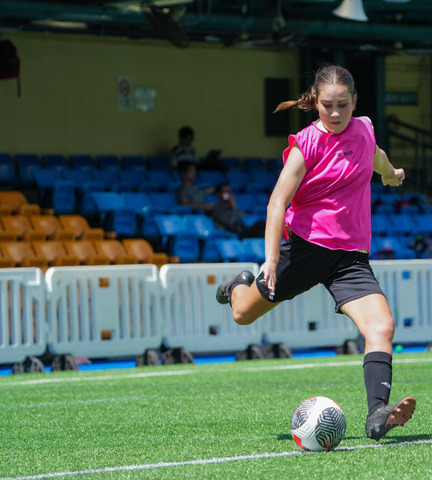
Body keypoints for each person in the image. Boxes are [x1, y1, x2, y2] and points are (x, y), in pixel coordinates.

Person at [215, 64, 416, 442]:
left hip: (349, 257)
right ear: (316, 103)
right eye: (328, 106)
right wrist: (271, 260)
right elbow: (277, 203)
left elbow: (377, 157)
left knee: (382, 327)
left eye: (343, 104)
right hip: (303, 249)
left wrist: (392, 175)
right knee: (242, 314)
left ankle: (377, 414)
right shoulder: (305, 144)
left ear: (355, 101)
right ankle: (240, 285)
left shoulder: (364, 130)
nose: (336, 114)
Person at [176, 162, 265, 238]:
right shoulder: (216, 209)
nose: (229, 194)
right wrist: (233, 207)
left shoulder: (195, 189)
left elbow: (208, 190)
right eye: (226, 192)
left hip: (243, 230)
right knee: (261, 224)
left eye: (230, 192)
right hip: (234, 233)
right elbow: (231, 225)